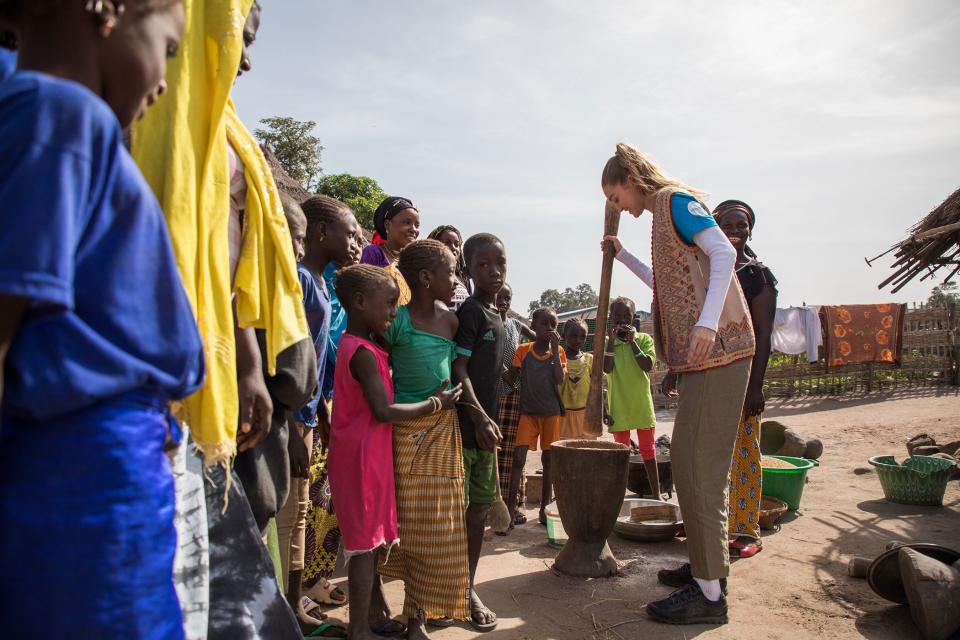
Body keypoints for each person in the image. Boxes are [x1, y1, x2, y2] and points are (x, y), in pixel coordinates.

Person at [0, 1, 206, 637]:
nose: (167, 80)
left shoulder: (51, 115)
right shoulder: (62, 115)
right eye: (169, 49)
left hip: (93, 460)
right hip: (85, 472)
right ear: (110, 10)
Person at [134, 2, 310, 637]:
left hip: (212, 374)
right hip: (139, 386)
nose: (248, 55)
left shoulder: (225, 128)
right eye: (244, 35)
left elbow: (221, 265)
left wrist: (250, 365)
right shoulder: (141, 105)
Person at [600, 143, 755, 625]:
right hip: (702, 362)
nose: (617, 206)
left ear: (630, 179)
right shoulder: (661, 219)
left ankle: (710, 597)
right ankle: (707, 570)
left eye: (615, 194)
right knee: (689, 462)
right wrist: (622, 255)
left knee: (697, 469)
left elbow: (723, 253)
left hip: (721, 352)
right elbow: (665, 285)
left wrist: (708, 323)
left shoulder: (673, 202)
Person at [328, 264, 461, 640]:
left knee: (370, 545)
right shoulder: (362, 353)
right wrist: (435, 404)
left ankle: (366, 623)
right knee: (363, 547)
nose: (392, 312)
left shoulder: (365, 347)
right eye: (388, 304)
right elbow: (383, 411)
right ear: (359, 302)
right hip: (361, 461)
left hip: (370, 456)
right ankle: (358, 630)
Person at [377, 240, 471, 640]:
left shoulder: (451, 322)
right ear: (426, 278)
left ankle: (420, 612)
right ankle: (404, 614)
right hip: (404, 432)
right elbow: (380, 377)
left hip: (443, 432)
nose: (456, 280)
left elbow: (456, 373)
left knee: (440, 524)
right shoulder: (394, 322)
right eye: (451, 272)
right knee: (409, 525)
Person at [279, 194, 360, 635]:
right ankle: (285, 609)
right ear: (321, 233)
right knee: (290, 516)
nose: (355, 242)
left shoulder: (321, 284)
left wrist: (322, 415)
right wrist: (294, 421)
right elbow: (291, 354)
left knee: (301, 514)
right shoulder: (300, 281)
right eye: (349, 233)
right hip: (292, 417)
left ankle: (294, 605)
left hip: (309, 415)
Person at [714, 199, 777, 559]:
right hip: (713, 373)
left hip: (743, 377)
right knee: (713, 453)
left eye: (743, 226)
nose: (737, 231)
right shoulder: (710, 270)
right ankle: (716, 523)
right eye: (730, 225)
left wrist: (756, 386)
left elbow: (763, 335)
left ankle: (746, 528)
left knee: (745, 452)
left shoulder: (758, 276)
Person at [452, 233, 507, 632]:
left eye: (499, 263)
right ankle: (456, 591)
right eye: (483, 265)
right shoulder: (471, 311)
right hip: (464, 432)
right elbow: (459, 371)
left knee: (479, 514)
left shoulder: (497, 314)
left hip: (485, 434)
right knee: (459, 517)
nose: (493, 271)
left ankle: (466, 587)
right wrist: (477, 417)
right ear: (467, 271)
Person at [506, 307, 567, 526]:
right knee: (518, 460)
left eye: (554, 325)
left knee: (548, 461)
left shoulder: (558, 353)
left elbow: (560, 380)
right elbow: (510, 377)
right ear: (533, 326)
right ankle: (510, 509)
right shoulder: (523, 350)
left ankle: (543, 509)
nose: (549, 328)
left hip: (551, 413)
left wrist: (555, 350)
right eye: (545, 323)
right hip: (528, 413)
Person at [601, 297, 660, 498]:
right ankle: (619, 496)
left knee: (648, 450)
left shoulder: (643, 339)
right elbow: (606, 368)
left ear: (633, 318)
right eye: (617, 317)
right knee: (621, 453)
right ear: (611, 318)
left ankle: (656, 493)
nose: (621, 321)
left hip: (641, 404)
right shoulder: (608, 342)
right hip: (619, 405)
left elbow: (647, 365)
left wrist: (632, 342)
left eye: (626, 317)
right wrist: (611, 342)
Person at [493, 283, 535, 529]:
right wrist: (506, 372)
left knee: (514, 451)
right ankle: (495, 505)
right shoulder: (489, 323)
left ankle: (515, 502)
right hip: (495, 393)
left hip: (516, 394)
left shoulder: (516, 325)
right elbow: (488, 355)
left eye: (507, 298)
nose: (504, 302)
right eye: (500, 297)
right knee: (497, 450)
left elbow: (537, 337)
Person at [361, 196, 420, 305]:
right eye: (407, 222)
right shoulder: (373, 253)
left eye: (417, 225)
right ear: (387, 225)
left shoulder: (412, 262)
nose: (414, 230)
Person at [558, 319, 595, 440]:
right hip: (563, 416)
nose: (578, 340)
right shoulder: (557, 359)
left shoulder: (590, 360)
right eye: (573, 336)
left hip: (586, 416)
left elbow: (596, 389)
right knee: (565, 453)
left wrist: (603, 412)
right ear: (563, 336)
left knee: (587, 453)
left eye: (582, 336)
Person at [428, 225, 471, 310]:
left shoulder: (464, 279)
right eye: (447, 243)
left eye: (457, 244)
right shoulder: (429, 277)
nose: (453, 247)